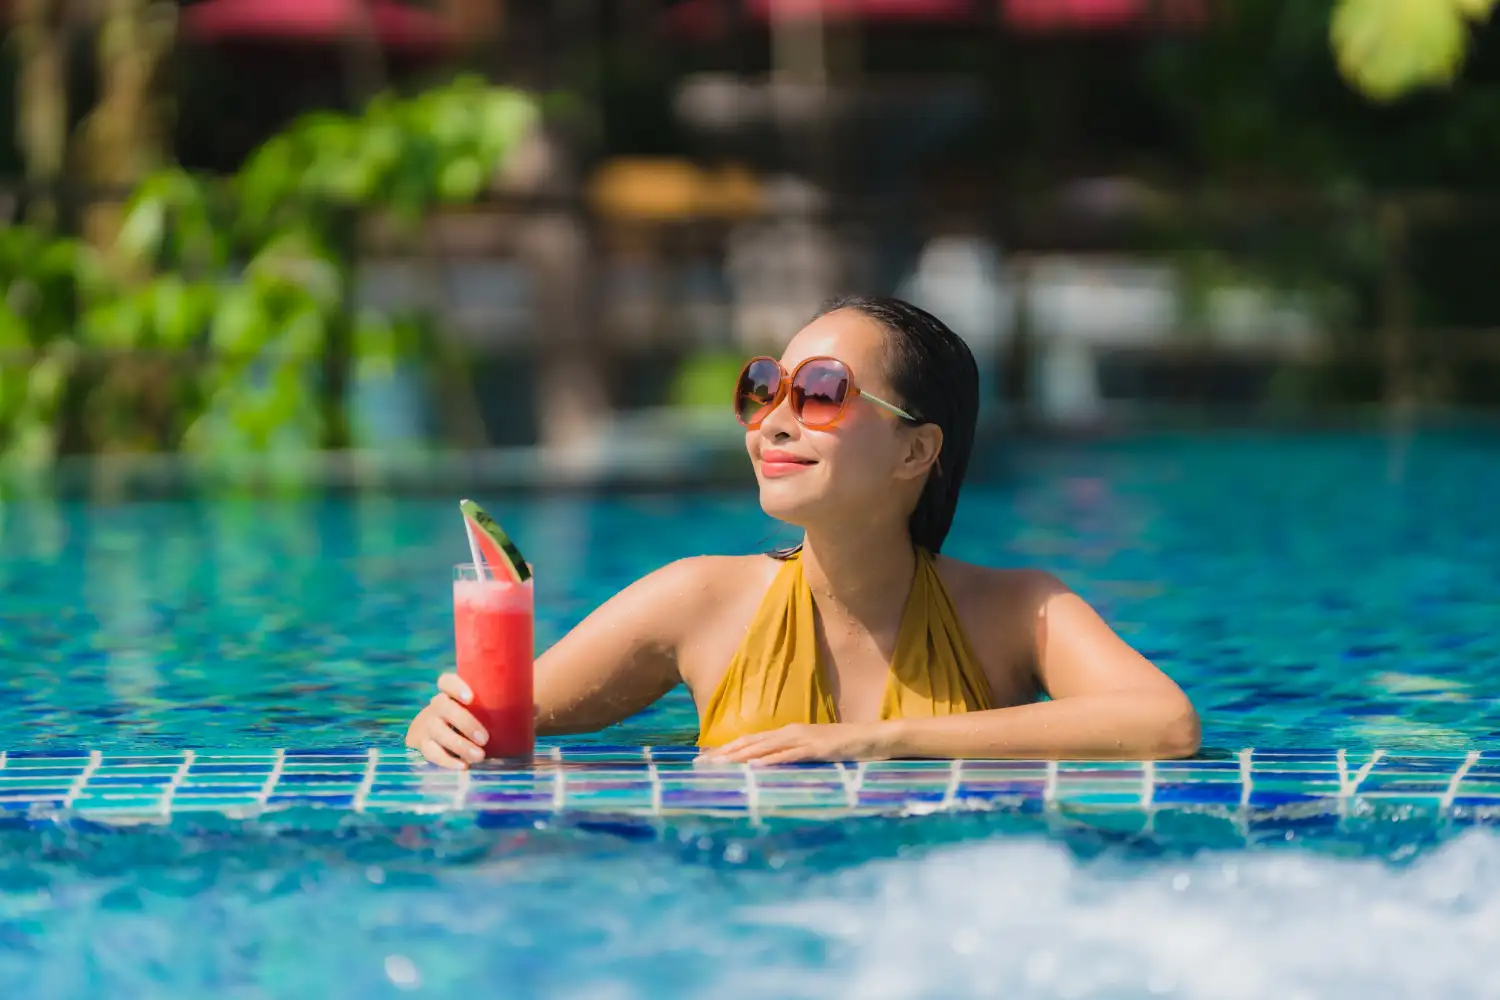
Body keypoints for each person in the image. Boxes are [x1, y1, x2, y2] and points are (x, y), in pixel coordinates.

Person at [406, 296, 1200, 768]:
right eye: (764, 390)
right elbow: (498, 721)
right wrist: (439, 724)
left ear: (917, 450)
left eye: (822, 392)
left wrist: (883, 744)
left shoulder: (1015, 611)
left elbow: (1164, 724)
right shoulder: (697, 602)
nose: (775, 422)